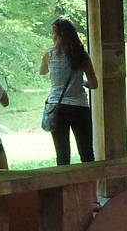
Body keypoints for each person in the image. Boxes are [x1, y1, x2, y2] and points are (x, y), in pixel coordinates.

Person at [39, 17, 98, 164]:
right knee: (87, 154)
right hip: (79, 107)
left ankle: (64, 187)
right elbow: (94, 84)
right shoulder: (81, 55)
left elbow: (42, 71)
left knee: (62, 156)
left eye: (53, 33)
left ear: (58, 35)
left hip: (56, 107)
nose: (51, 36)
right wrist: (82, 82)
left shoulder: (49, 55)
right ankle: (92, 186)